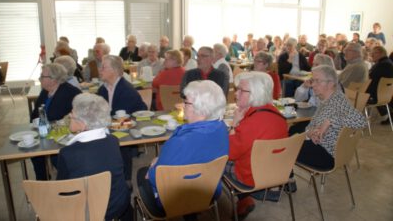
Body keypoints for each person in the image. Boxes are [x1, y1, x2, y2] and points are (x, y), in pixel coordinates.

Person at [136, 80, 229, 218]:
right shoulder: (222, 128)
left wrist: (153, 167)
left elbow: (157, 178)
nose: (182, 105)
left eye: (186, 102)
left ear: (201, 109)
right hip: (208, 192)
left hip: (173, 199)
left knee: (141, 173)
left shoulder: (181, 141)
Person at [56, 93, 132, 221]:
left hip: (86, 213)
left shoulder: (67, 153)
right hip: (116, 206)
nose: (69, 115)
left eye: (72, 113)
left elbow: (62, 190)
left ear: (83, 124)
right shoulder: (113, 141)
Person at [227, 72, 288, 219]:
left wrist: (234, 124)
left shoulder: (251, 123)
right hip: (276, 172)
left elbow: (229, 152)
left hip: (251, 177)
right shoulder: (278, 115)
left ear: (256, 93)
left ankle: (243, 198)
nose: (236, 93)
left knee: (214, 160)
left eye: (241, 90)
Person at [297, 65, 367, 170]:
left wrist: (330, 121)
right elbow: (312, 125)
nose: (313, 85)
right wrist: (310, 133)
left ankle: (284, 180)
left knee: (286, 148)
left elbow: (361, 121)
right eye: (313, 80)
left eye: (317, 81)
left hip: (328, 155)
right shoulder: (325, 99)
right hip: (320, 146)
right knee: (291, 136)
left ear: (331, 83)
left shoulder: (338, 100)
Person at [97, 55, 147, 184]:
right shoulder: (104, 88)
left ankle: (126, 180)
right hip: (115, 125)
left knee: (117, 141)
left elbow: (122, 116)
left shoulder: (126, 89)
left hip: (132, 126)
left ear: (114, 70)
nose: (99, 69)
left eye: (103, 67)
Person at [30, 63, 82, 180]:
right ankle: (42, 180)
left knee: (55, 157)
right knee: (34, 153)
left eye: (42, 76)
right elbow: (34, 114)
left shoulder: (70, 92)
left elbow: (57, 116)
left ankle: (66, 181)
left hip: (64, 135)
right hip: (47, 131)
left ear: (53, 79)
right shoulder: (45, 91)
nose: (40, 79)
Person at [366, 46, 393, 125]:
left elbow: (369, 78)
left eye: (374, 53)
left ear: (381, 53)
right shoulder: (387, 62)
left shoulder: (382, 65)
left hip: (376, 96)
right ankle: (385, 112)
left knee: (351, 92)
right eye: (371, 53)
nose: (371, 55)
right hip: (385, 95)